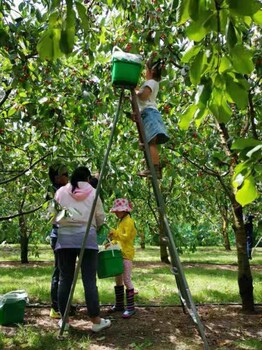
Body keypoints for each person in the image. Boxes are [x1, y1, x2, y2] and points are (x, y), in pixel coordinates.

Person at [54, 166, 111, 332]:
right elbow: (100, 217)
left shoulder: (62, 192)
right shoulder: (93, 192)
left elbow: (55, 216)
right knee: (89, 280)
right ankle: (95, 320)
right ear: (87, 178)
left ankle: (64, 321)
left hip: (65, 239)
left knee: (65, 279)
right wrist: (96, 226)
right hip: (87, 238)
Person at [136, 55, 169, 179]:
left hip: (149, 113)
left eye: (145, 69)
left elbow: (143, 96)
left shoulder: (150, 82)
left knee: (151, 142)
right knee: (149, 142)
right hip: (149, 114)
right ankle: (154, 168)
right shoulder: (152, 83)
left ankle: (154, 169)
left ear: (152, 71)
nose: (144, 72)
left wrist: (135, 92)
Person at [47, 161, 70, 319]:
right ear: (56, 178)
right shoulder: (56, 194)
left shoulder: (60, 190)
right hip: (59, 234)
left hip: (63, 234)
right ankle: (56, 307)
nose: (68, 177)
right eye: (65, 174)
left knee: (64, 271)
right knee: (60, 271)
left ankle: (63, 304)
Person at [107, 198, 137, 318]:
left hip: (126, 254)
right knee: (118, 278)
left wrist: (115, 233)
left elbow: (126, 237)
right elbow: (119, 239)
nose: (116, 213)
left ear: (125, 211)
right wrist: (111, 243)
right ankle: (119, 304)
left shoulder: (129, 221)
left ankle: (130, 308)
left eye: (118, 211)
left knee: (127, 280)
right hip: (120, 253)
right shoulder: (121, 221)